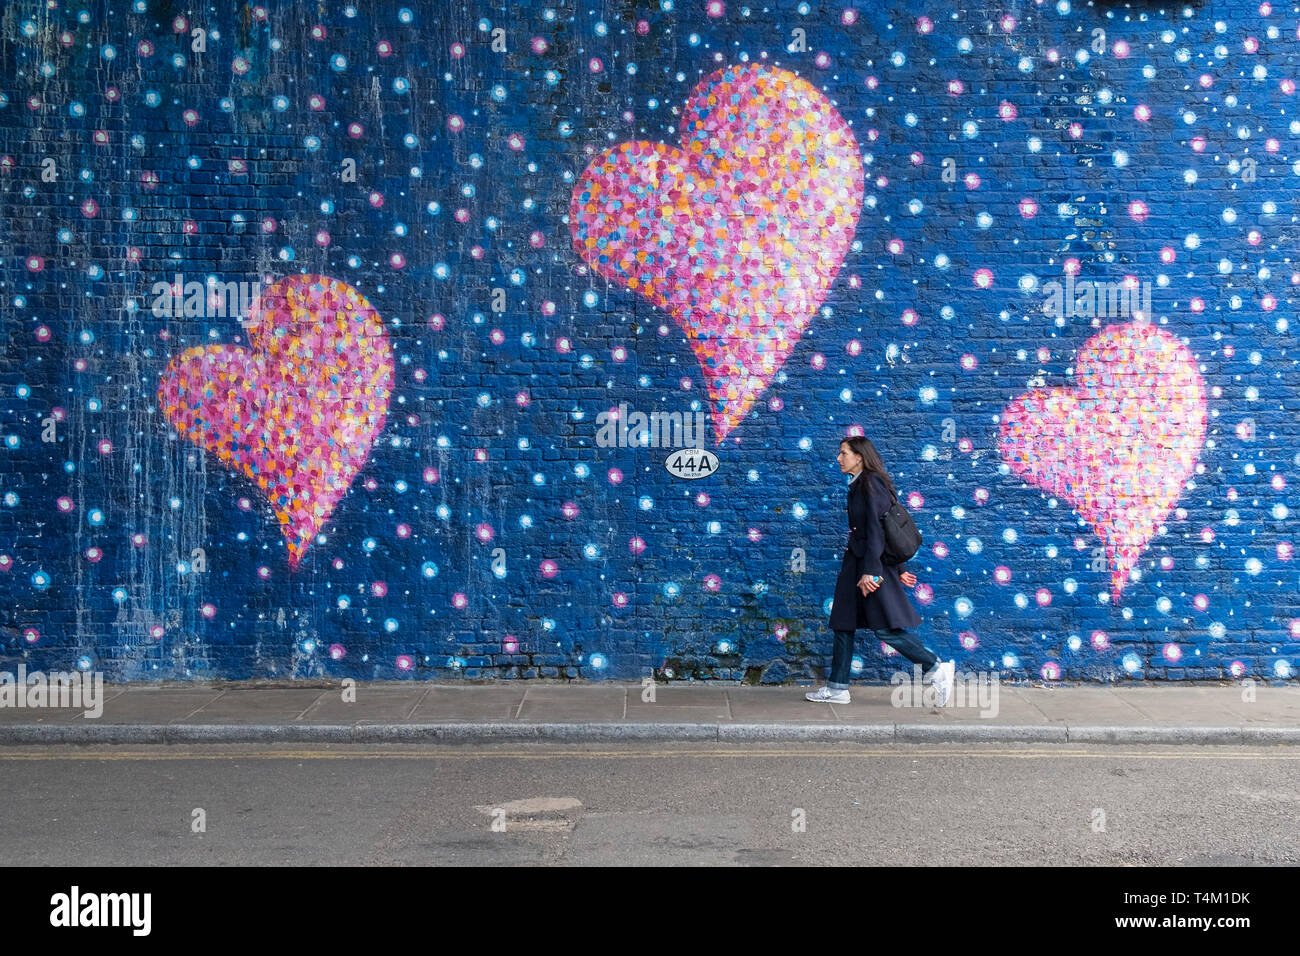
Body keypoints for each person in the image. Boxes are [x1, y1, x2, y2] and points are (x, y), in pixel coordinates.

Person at [805, 436, 955, 706]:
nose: (838, 459)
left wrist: (873, 572)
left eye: (843, 454)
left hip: (867, 566)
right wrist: (897, 569)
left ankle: (935, 668)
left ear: (859, 457)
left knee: (885, 628)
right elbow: (882, 530)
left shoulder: (871, 483)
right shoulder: (859, 484)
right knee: (843, 621)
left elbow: (878, 530)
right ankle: (838, 687)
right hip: (858, 563)